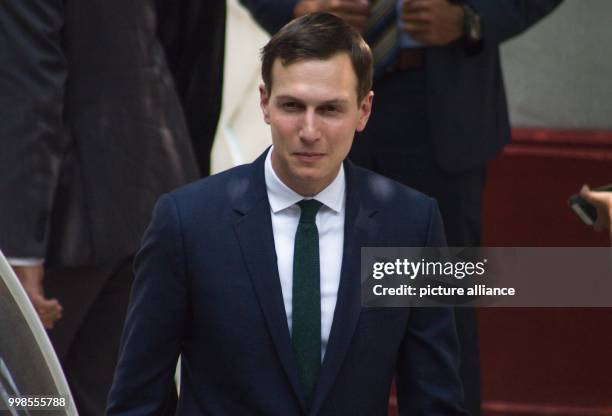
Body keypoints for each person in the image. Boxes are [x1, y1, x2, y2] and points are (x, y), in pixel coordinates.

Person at [107, 13, 467, 415]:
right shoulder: (186, 222)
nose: (309, 130)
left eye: (330, 109)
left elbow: (435, 398)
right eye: (293, 106)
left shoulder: (413, 225)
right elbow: (137, 399)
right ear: (265, 103)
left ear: (364, 110)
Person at [238, 0, 563, 413]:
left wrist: (473, 20)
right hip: (326, 101)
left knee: (442, 308)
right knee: (316, 294)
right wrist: (297, 8)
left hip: (438, 111)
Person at [0, 0, 224, 414]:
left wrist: (19, 248)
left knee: (30, 399)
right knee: (105, 398)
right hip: (147, 193)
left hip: (61, 229)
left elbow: (27, 83)